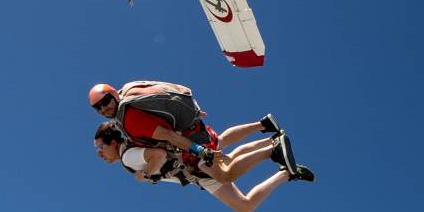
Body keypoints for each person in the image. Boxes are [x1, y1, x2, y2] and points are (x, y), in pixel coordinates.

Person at [94, 122, 314, 212]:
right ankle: (274, 145)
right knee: (229, 156)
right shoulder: (131, 146)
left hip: (193, 169)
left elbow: (158, 156)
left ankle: (277, 157)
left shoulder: (127, 157)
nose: (99, 154)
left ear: (112, 142)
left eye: (100, 147)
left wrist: (147, 175)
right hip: (192, 163)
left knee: (244, 205)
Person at [88, 81, 298, 176]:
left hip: (188, 137)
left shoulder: (129, 119)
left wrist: (199, 151)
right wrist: (193, 110)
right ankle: (264, 125)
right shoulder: (129, 89)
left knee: (225, 172)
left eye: (105, 101)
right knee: (222, 141)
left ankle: (274, 150)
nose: (104, 108)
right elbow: (166, 91)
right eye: (98, 107)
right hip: (190, 122)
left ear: (113, 95)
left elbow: (167, 135)